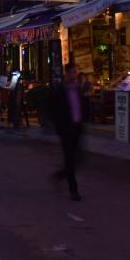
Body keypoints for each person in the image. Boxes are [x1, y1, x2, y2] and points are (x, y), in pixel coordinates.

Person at [50, 63, 84, 201]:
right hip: (66, 129)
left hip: (77, 127)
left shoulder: (78, 89)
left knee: (78, 159)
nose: (74, 75)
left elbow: (82, 106)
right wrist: (59, 127)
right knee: (70, 159)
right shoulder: (60, 90)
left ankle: (60, 175)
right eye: (72, 73)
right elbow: (54, 109)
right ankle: (73, 189)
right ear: (66, 73)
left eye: (75, 73)